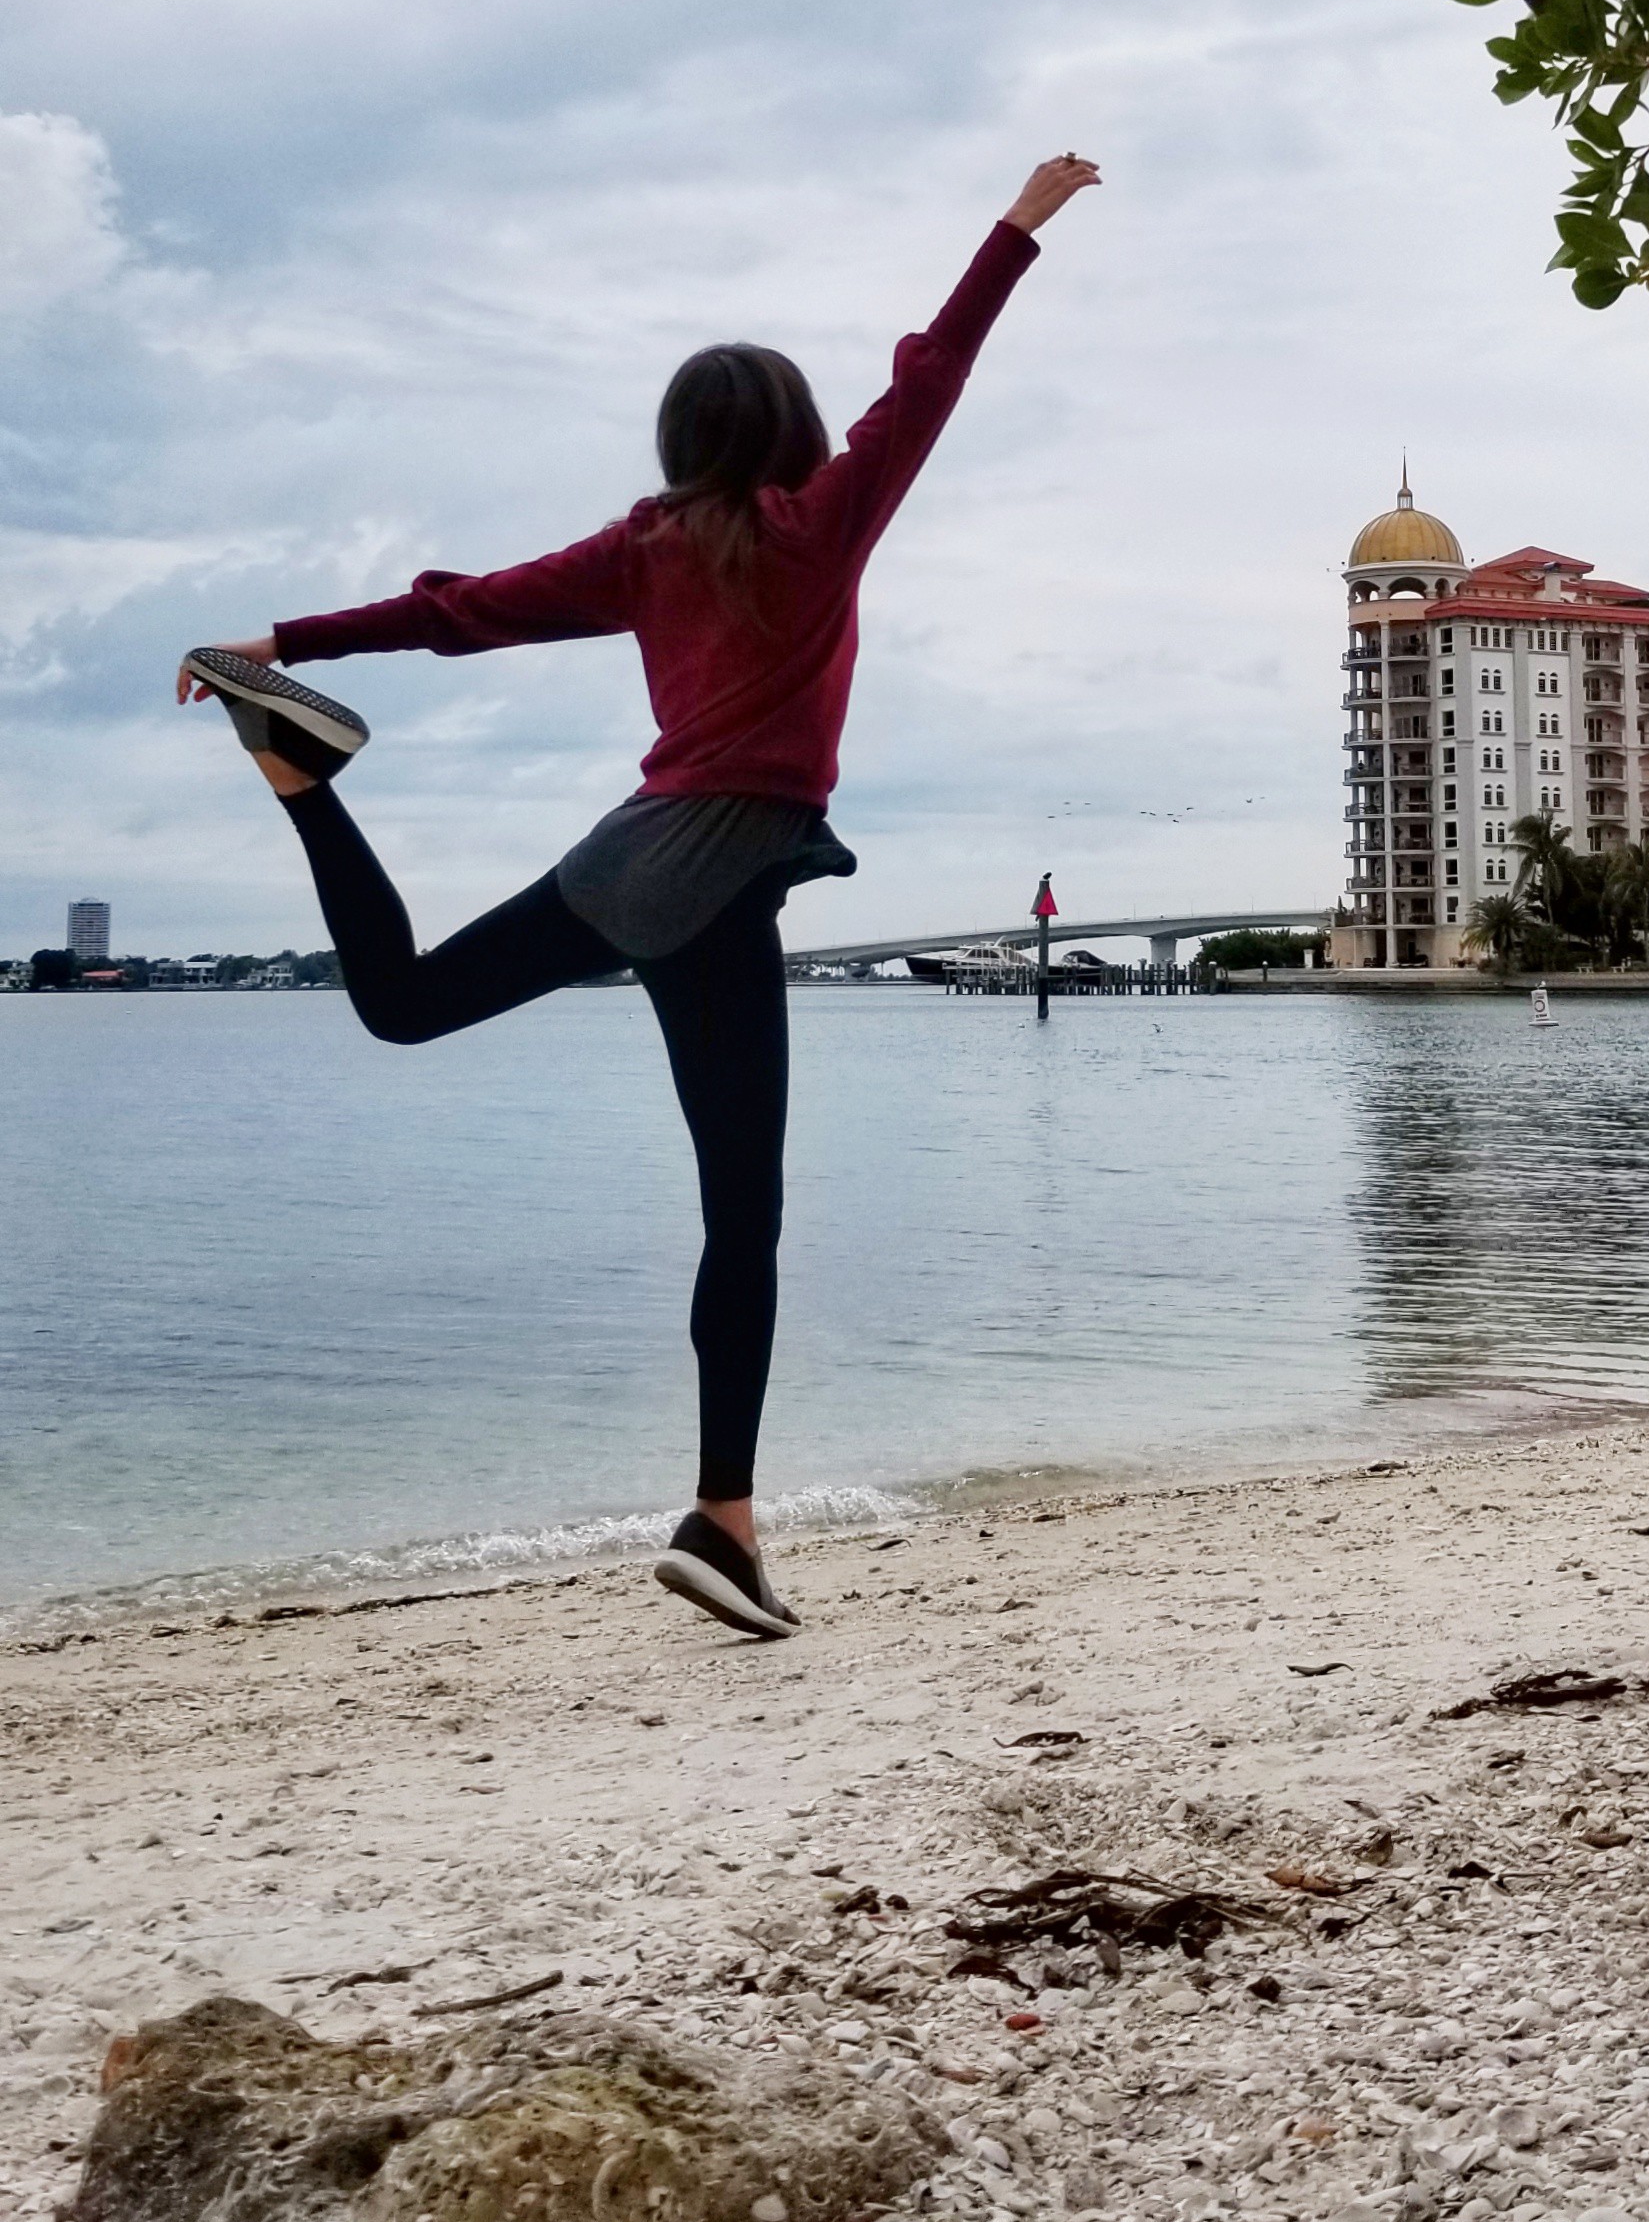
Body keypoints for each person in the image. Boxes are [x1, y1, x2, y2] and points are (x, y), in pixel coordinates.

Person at [178, 153, 1100, 1641]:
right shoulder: (824, 523)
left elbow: (461, 611)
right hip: (716, 876)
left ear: (682, 442)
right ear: (798, 439)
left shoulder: (648, 546)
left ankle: (302, 780)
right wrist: (1014, 231)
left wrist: (290, 637)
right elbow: (928, 383)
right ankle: (721, 1520)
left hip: (640, 858)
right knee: (744, 1219)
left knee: (403, 1005)